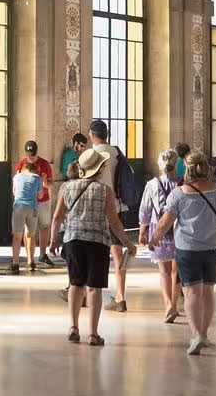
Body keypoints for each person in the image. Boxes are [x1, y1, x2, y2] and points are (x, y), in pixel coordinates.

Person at [151, 150, 216, 355]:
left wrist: (154, 239)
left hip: (188, 249)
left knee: (192, 293)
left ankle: (196, 334)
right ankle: (204, 334)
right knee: (208, 292)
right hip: (214, 249)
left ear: (187, 169)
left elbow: (165, 222)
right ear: (207, 169)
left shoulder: (179, 193)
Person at [50, 146, 131, 346]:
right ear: (99, 168)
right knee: (94, 288)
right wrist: (127, 242)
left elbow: (58, 216)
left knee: (75, 284)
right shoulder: (105, 191)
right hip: (98, 242)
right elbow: (114, 222)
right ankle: (93, 334)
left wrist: (53, 240)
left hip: (73, 240)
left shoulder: (66, 188)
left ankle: (73, 327)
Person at [87, 118, 136, 312]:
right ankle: (120, 297)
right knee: (117, 254)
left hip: (98, 208)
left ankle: (88, 293)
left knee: (92, 252)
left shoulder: (92, 154)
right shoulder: (116, 152)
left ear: (91, 135)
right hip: (118, 207)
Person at [140, 150, 183, 323]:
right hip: (180, 230)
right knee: (176, 272)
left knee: (164, 272)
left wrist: (142, 232)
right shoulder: (183, 183)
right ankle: (175, 304)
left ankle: (168, 306)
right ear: (177, 164)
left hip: (158, 230)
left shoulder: (152, 184)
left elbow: (145, 210)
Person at [11, 140, 55, 272]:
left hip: (42, 201)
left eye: (33, 155)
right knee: (28, 231)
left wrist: (45, 184)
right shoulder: (21, 164)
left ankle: (42, 254)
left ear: (37, 152)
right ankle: (29, 258)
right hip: (29, 203)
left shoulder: (44, 164)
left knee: (44, 226)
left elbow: (50, 183)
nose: (31, 158)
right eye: (29, 155)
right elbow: (16, 185)